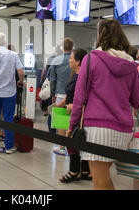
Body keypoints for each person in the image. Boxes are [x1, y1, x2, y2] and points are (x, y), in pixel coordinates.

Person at [67, 19, 139, 190]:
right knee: (105, 181)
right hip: (124, 131)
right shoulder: (131, 65)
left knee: (100, 183)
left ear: (100, 35)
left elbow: (80, 98)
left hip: (98, 130)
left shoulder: (91, 59)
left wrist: (72, 126)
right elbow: (137, 100)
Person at [56, 48, 91, 183]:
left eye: (71, 58)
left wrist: (74, 106)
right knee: (77, 141)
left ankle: (74, 171)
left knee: (72, 142)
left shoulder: (83, 78)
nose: (69, 60)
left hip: (78, 114)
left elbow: (83, 98)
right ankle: (86, 171)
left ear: (77, 61)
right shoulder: (76, 75)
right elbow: (71, 94)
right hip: (71, 112)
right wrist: (61, 104)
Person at [49, 37, 74, 155]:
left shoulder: (56, 60)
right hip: (73, 95)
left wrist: (53, 94)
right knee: (71, 122)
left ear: (61, 47)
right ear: (72, 47)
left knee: (61, 123)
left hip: (60, 94)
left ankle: (61, 146)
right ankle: (71, 147)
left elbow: (53, 79)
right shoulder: (76, 60)